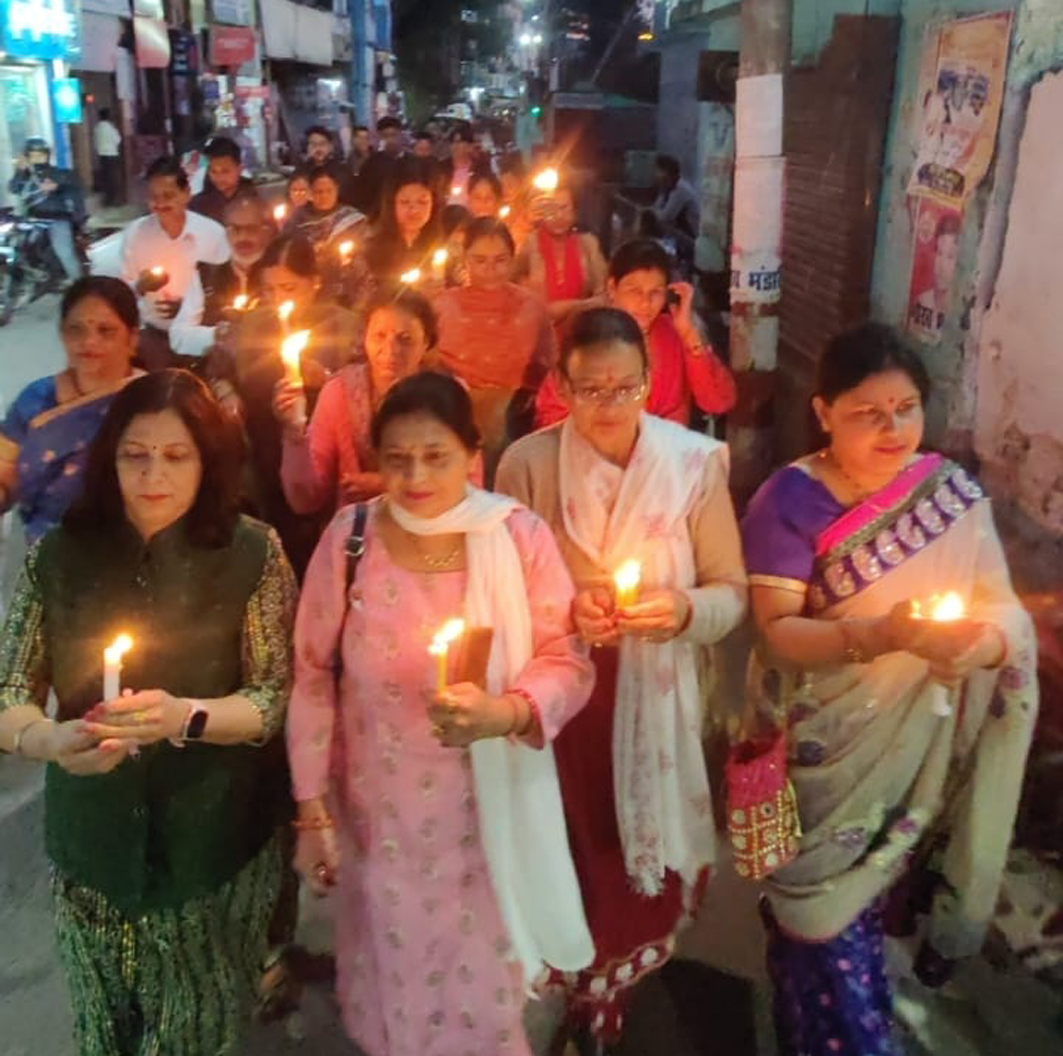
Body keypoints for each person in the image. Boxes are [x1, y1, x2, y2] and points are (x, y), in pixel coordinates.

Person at [739, 323, 1037, 1056]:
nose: (893, 428)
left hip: (915, 753)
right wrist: (880, 636)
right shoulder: (788, 501)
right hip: (821, 751)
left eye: (905, 408)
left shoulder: (949, 495)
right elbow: (777, 628)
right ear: (822, 414)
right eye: (867, 413)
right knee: (812, 915)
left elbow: (1002, 608)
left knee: (859, 928)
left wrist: (981, 644)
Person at [287, 371, 596, 1056]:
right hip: (376, 817)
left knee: (479, 992)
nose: (415, 476)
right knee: (392, 982)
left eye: (435, 456)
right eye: (396, 460)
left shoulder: (517, 539)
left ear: (471, 452)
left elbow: (566, 660)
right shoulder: (351, 538)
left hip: (482, 819)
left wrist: (507, 712)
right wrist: (311, 812)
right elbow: (309, 675)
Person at [0, 369, 297, 1056]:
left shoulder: (251, 552)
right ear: (109, 458)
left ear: (207, 459)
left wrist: (185, 716)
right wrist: (49, 740)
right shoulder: (61, 557)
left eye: (175, 455)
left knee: (192, 1032)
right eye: (135, 454)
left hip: (209, 847)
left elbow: (271, 697)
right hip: (92, 847)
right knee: (103, 1030)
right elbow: (9, 690)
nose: (152, 474)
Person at [495, 307, 748, 1051]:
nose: (609, 407)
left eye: (626, 388)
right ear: (560, 387)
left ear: (651, 382)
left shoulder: (694, 464)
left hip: (653, 702)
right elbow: (502, 593)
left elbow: (731, 593)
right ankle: (570, 981)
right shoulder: (528, 466)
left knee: (631, 857)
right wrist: (566, 609)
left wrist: (679, 609)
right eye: (591, 390)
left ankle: (615, 992)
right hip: (564, 704)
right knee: (568, 845)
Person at [226, 234, 360, 574]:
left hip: (323, 447)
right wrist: (225, 390)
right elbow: (223, 368)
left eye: (288, 288)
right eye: (269, 290)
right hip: (266, 443)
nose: (277, 300)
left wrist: (326, 378)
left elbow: (361, 383)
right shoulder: (254, 323)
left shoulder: (343, 324)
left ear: (314, 283)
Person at [534, 239, 735, 429]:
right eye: (634, 291)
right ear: (612, 288)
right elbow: (550, 414)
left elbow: (718, 402)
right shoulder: (586, 334)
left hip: (664, 458)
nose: (645, 303)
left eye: (655, 292)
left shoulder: (677, 332)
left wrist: (690, 336)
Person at [0, 277, 143, 544]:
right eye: (76, 329)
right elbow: (5, 466)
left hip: (129, 557)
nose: (89, 341)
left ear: (132, 339)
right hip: (46, 552)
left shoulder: (152, 401)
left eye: (106, 330)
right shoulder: (35, 400)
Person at [276, 289, 442, 514]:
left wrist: (389, 484)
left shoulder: (447, 397)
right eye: (379, 336)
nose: (390, 351)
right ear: (364, 338)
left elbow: (468, 486)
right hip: (357, 535)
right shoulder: (339, 392)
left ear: (426, 344)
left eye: (405, 340)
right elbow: (306, 498)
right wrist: (294, 433)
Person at [433, 217, 555, 482]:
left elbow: (547, 372)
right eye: (479, 260)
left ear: (512, 259)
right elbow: (430, 366)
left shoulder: (530, 307)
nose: (490, 269)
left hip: (515, 422)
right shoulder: (444, 306)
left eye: (500, 260)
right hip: (454, 418)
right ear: (464, 259)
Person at [120, 156, 229, 369]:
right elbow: (121, 292)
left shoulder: (212, 234)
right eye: (153, 197)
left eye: (168, 196)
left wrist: (188, 308)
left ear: (186, 194)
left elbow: (226, 290)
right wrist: (140, 286)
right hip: (153, 340)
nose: (160, 204)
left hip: (201, 338)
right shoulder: (136, 233)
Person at [170, 192, 272, 359]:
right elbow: (178, 336)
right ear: (226, 232)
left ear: (266, 232)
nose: (243, 237)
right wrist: (217, 334)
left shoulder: (280, 275)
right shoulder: (207, 275)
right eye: (235, 229)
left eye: (251, 229)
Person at [519, 180, 607, 323]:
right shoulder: (529, 243)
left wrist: (570, 307)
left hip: (580, 330)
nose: (558, 216)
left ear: (575, 210)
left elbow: (604, 296)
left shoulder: (588, 244)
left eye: (564, 208)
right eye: (551, 209)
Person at [9, 136, 85, 282]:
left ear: (47, 156)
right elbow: (13, 188)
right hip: (32, 220)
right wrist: (19, 170)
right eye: (33, 155)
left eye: (41, 155)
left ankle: (79, 284)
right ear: (27, 157)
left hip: (56, 218)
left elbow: (72, 185)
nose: (37, 159)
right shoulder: (25, 176)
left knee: (64, 252)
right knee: (18, 247)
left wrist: (57, 186)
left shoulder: (58, 173)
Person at [364, 157, 443, 286]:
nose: (414, 211)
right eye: (405, 202)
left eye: (422, 202)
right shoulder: (372, 249)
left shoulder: (441, 248)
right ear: (391, 204)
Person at [294, 166, 368, 259]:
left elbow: (363, 251)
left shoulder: (353, 220)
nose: (324, 196)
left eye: (329, 191)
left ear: (337, 190)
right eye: (319, 192)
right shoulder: (298, 221)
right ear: (310, 193)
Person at [910, 213, 960, 344]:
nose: (941, 265)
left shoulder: (959, 313)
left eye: (950, 256)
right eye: (939, 252)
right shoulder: (922, 301)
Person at [188, 136, 255, 225]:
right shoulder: (197, 205)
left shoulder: (254, 198)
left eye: (225, 171)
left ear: (239, 169)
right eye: (213, 171)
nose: (219, 177)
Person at [355, 115, 406, 220]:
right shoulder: (371, 165)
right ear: (379, 138)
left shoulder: (413, 162)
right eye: (386, 136)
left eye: (394, 135)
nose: (390, 140)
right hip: (379, 220)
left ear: (401, 135)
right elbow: (362, 197)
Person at [650, 154, 701, 245]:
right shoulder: (667, 188)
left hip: (693, 239)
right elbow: (655, 208)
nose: (658, 179)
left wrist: (653, 212)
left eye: (663, 178)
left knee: (663, 224)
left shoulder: (681, 190)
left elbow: (664, 217)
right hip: (681, 234)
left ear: (672, 175)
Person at [303, 124, 357, 206]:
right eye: (313, 145)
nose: (318, 149)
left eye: (322, 144)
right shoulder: (301, 172)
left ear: (330, 146)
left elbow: (350, 199)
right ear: (307, 147)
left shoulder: (342, 171)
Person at [93, 109, 122, 206]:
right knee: (114, 177)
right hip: (112, 154)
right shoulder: (110, 127)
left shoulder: (97, 128)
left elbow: (95, 142)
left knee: (106, 177)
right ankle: (115, 199)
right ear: (108, 116)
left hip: (102, 155)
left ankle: (107, 199)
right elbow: (118, 140)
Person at [442, 124, 476, 207]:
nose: (454, 146)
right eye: (452, 142)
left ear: (469, 146)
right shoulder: (441, 168)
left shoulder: (479, 169)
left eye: (458, 142)